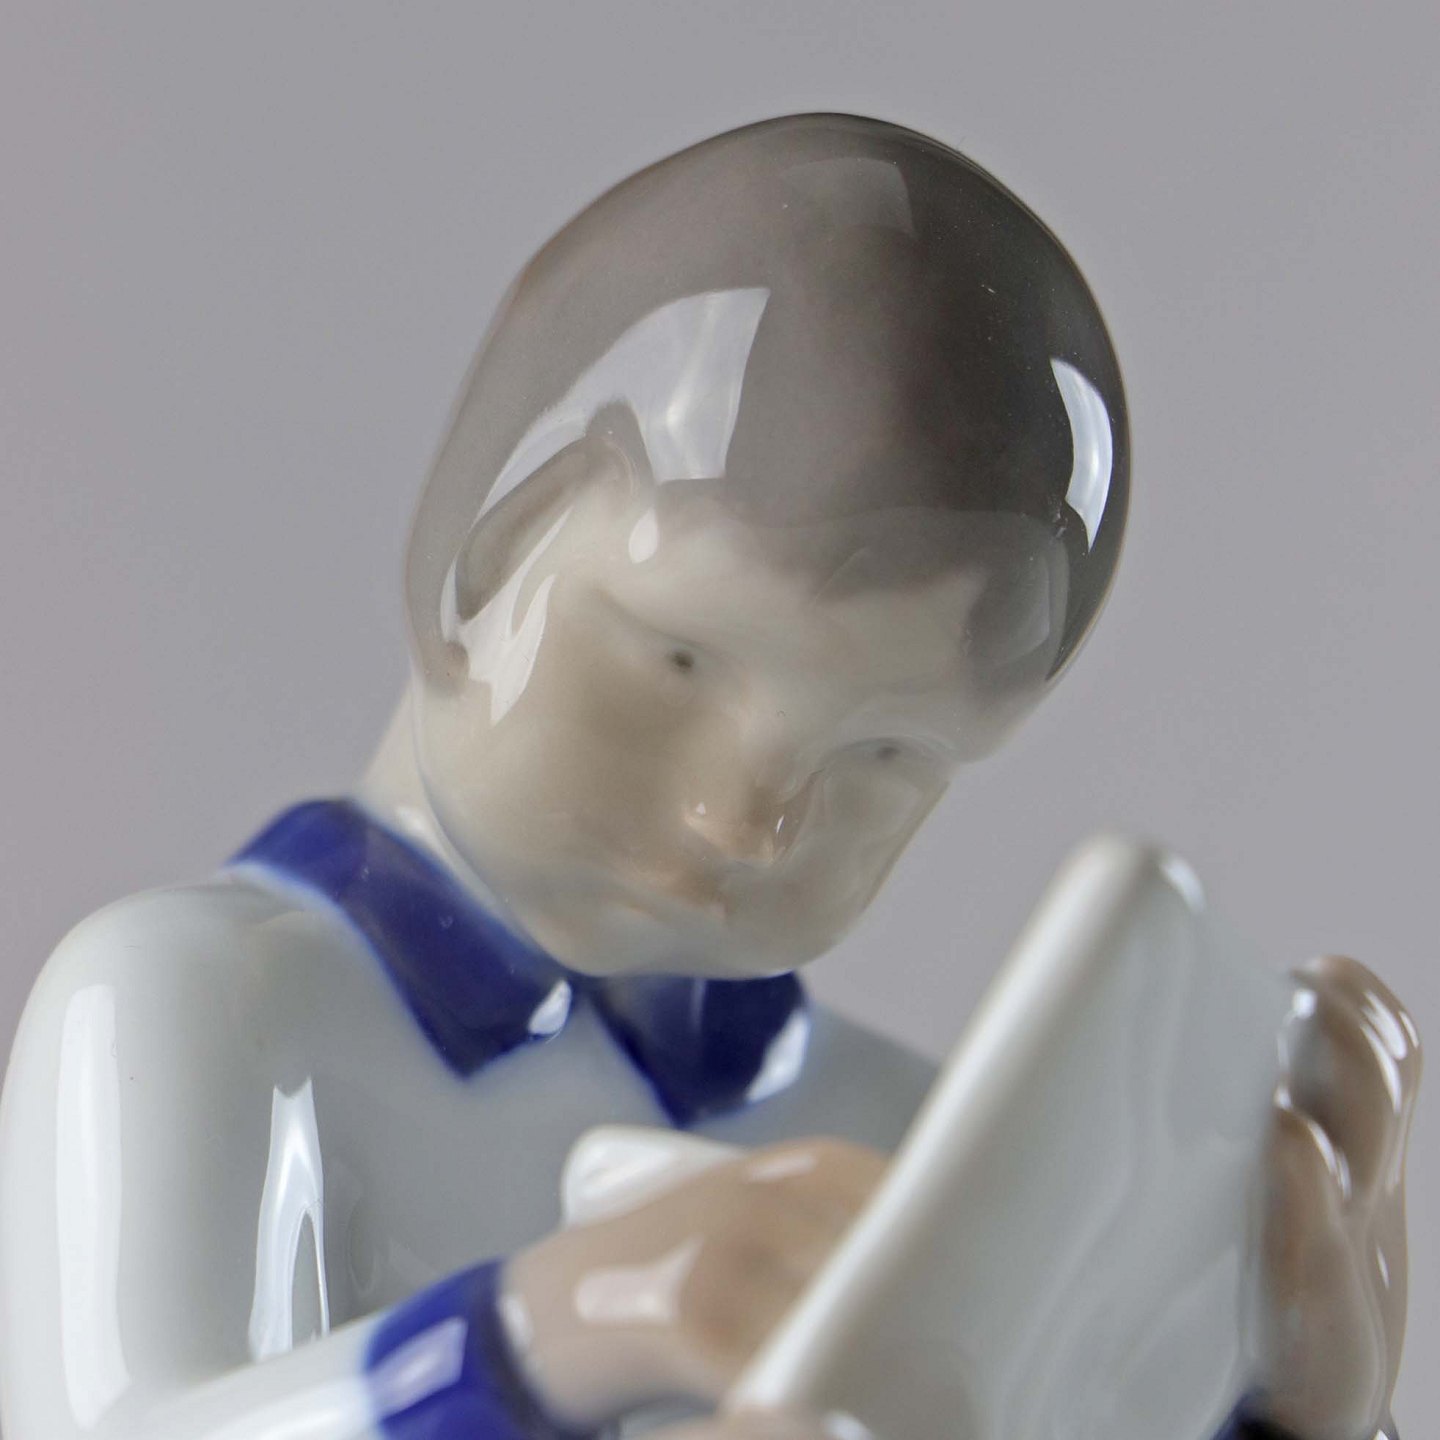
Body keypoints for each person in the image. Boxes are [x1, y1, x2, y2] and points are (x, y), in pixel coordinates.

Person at [0, 115, 1417, 1440]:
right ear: (489, 557)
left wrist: (1302, 1406)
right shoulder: (200, 1006)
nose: (749, 819)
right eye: (678, 660)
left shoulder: (906, 1154)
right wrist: (546, 1331)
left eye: (885, 755)